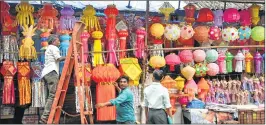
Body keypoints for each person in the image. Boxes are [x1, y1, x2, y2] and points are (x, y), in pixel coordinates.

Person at [39, 34, 65, 124]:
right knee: (52, 95)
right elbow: (58, 58)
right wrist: (69, 56)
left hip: (47, 73)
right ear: (53, 41)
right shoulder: (54, 48)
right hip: (52, 73)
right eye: (58, 40)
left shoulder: (48, 48)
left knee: (50, 95)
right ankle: (45, 117)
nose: (59, 42)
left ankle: (46, 115)